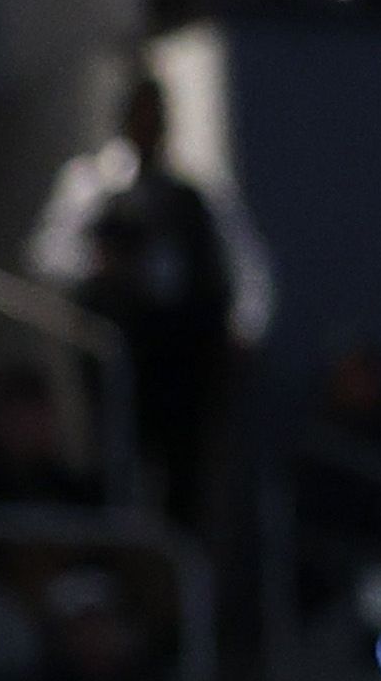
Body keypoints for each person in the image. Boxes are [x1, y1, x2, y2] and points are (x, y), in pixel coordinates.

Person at [23, 80, 273, 525]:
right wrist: (97, 264)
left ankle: (184, 566)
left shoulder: (199, 188)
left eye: (156, 114)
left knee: (187, 475)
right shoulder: (92, 184)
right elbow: (47, 254)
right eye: (139, 113)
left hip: (188, 356)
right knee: (120, 464)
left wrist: (244, 331)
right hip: (120, 351)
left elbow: (246, 266)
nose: (148, 124)